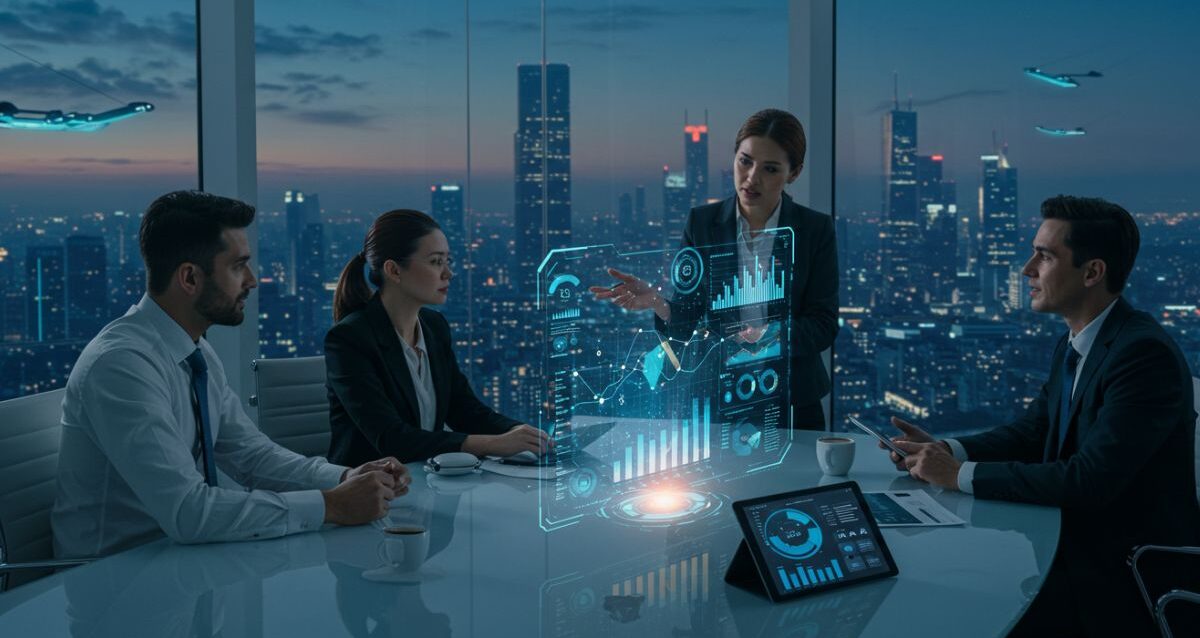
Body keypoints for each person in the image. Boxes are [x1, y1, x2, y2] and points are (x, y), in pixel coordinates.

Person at [883, 195, 1199, 636]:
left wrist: (957, 474)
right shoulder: (1080, 341)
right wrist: (946, 450)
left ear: (1092, 272)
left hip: (1122, 576)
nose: (1027, 269)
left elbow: (1090, 480)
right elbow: (1035, 431)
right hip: (1068, 551)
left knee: (952, 610)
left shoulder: (1142, 355)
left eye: (1045, 256)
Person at [52, 190, 409, 559]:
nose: (252, 280)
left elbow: (251, 456)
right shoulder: (122, 365)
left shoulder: (194, 351)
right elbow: (188, 512)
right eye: (238, 266)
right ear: (189, 278)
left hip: (182, 562)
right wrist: (330, 506)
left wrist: (342, 478)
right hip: (115, 583)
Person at [591, 108, 838, 429]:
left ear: (794, 172)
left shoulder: (814, 230)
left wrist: (768, 335)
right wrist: (657, 302)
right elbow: (688, 318)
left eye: (770, 168)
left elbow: (823, 325)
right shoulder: (702, 223)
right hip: (720, 399)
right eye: (745, 161)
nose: (752, 178)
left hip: (793, 402)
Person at [325, 209, 550, 466]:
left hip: (430, 482)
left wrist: (525, 434)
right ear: (394, 271)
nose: (448, 273)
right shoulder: (349, 339)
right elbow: (392, 439)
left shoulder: (434, 327)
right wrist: (493, 444)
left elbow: (464, 409)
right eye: (435, 262)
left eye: (448, 261)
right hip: (370, 491)